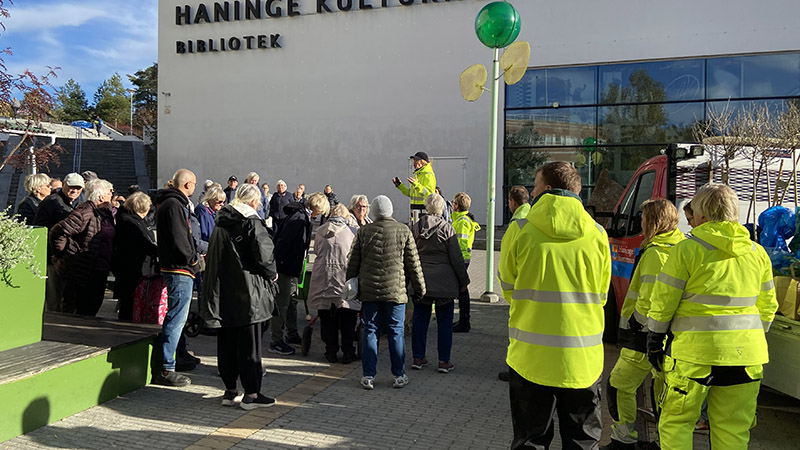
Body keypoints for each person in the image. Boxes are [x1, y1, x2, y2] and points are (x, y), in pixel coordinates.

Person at [647, 183, 778, 450]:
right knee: (733, 430)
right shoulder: (758, 254)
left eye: (694, 213)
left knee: (676, 424)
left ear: (703, 214)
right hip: (745, 357)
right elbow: (768, 307)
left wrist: (655, 339)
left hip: (693, 357)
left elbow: (663, 302)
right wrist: (748, 338)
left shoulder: (687, 250)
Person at [498, 161, 611, 450]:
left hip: (530, 359)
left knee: (532, 442)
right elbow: (601, 295)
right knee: (583, 443)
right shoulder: (597, 233)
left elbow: (508, 286)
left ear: (547, 188)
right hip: (582, 360)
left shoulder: (520, 229)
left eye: (535, 186)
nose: (532, 192)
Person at [601, 198, 684, 450]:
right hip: (669, 337)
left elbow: (649, 297)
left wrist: (636, 324)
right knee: (662, 391)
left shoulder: (656, 253)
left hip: (644, 336)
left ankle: (623, 440)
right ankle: (661, 442)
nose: (640, 223)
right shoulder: (681, 247)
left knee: (618, 386)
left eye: (644, 218)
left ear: (654, 222)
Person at [200, 183, 279, 410]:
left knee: (227, 342)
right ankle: (252, 394)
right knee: (249, 346)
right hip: (248, 291)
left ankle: (230, 391)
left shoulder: (221, 221)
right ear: (254, 202)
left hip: (224, 291)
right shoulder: (252, 221)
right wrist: (272, 273)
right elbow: (264, 256)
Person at [346, 195, 425, 390]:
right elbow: (413, 264)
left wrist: (351, 283)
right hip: (396, 291)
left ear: (373, 212)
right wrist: (420, 288)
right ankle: (399, 374)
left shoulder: (364, 232)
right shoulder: (403, 230)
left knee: (370, 330)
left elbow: (353, 263)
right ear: (390, 211)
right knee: (396, 331)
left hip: (369, 291)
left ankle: (368, 375)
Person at [153, 169, 201, 387]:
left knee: (178, 317)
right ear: (188, 184)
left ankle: (175, 357)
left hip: (177, 267)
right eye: (194, 184)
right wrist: (194, 261)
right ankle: (166, 368)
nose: (195, 187)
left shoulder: (172, 203)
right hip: (179, 269)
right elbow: (181, 239)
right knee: (176, 318)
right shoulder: (173, 205)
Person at [410, 194, 468, 374]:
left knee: (420, 319)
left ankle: (418, 357)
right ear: (442, 209)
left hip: (421, 281)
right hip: (444, 283)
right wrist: (463, 281)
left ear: (426, 207)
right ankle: (443, 361)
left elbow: (409, 254)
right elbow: (456, 258)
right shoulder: (447, 228)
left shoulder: (415, 228)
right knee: (444, 322)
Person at [269, 192, 328, 355]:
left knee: (292, 301)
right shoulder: (299, 218)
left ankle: (291, 333)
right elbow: (283, 242)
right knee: (282, 303)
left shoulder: (303, 217)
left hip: (292, 266)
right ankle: (276, 340)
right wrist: (276, 265)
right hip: (285, 266)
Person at [50, 179, 116, 316]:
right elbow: (57, 232)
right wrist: (62, 254)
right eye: (110, 192)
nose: (112, 194)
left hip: (100, 268)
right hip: (84, 271)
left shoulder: (104, 212)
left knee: (92, 307)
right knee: (82, 310)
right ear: (100, 196)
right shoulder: (85, 212)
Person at [307, 204, 359, 364]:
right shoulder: (351, 231)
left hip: (323, 278)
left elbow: (316, 250)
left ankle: (330, 351)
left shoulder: (321, 231)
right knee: (347, 316)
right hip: (344, 278)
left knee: (327, 317)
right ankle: (348, 351)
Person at [34, 172, 84, 312]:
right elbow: (40, 228)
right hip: (52, 258)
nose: (74, 191)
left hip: (69, 257)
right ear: (64, 185)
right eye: (71, 187)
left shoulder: (79, 203)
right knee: (53, 298)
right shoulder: (51, 202)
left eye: (78, 188)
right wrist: (53, 255)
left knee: (66, 297)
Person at [497, 185, 531, 382]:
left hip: (520, 292)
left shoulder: (517, 224)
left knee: (517, 335)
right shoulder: (533, 216)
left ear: (512, 202)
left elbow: (506, 267)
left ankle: (515, 370)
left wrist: (510, 296)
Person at [112, 192, 158, 321]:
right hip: (132, 270)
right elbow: (142, 243)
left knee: (131, 304)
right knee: (129, 305)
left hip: (134, 269)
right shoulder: (129, 222)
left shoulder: (134, 220)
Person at [451, 192, 480, 333]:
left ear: (457, 205)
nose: (452, 205)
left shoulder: (462, 222)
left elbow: (461, 244)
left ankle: (464, 322)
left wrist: (456, 261)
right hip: (462, 259)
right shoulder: (462, 219)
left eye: (453, 203)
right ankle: (463, 320)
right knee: (462, 290)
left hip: (460, 260)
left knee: (462, 291)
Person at [392, 151, 436, 223]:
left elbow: (429, 194)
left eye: (416, 160)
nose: (414, 163)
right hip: (415, 214)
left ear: (423, 162)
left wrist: (416, 184)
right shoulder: (417, 174)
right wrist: (400, 185)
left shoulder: (428, 175)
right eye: (414, 160)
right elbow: (410, 194)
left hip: (424, 214)